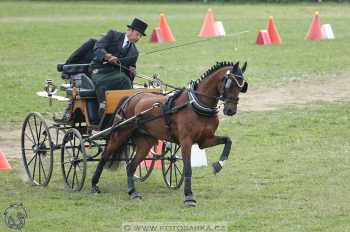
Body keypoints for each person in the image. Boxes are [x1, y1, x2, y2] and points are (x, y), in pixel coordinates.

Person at [55, 18, 148, 123]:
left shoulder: (134, 52)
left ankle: (124, 110)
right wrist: (107, 56)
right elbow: (97, 47)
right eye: (137, 34)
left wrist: (132, 70)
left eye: (140, 36)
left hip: (116, 75)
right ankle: (104, 105)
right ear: (130, 30)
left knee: (125, 79)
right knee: (122, 79)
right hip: (98, 70)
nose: (138, 38)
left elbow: (130, 68)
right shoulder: (113, 35)